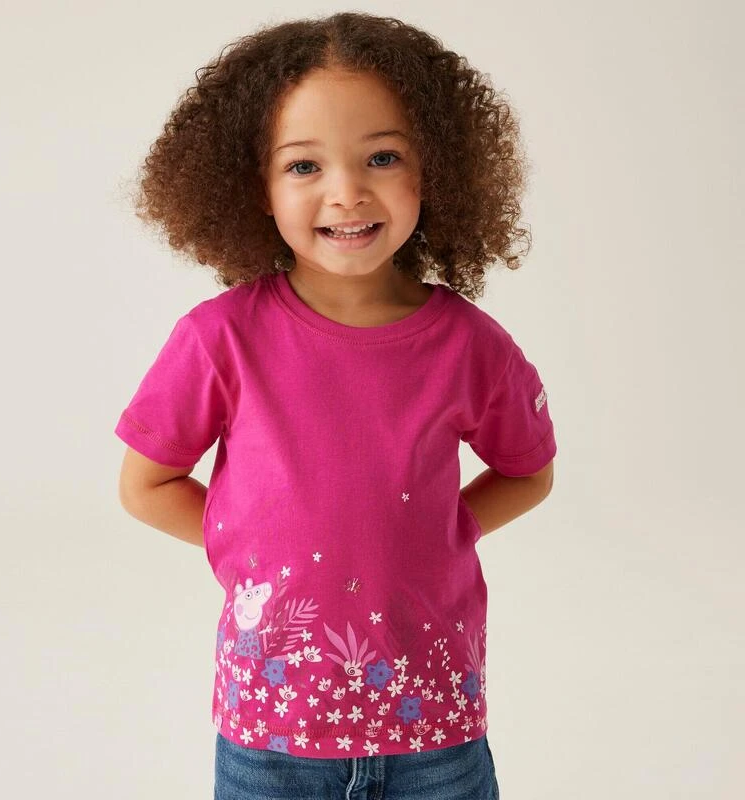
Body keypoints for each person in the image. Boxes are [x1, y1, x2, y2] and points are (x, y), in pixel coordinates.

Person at [114, 11, 557, 799]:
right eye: (303, 165)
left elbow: (529, 472)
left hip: (435, 731)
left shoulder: (471, 346)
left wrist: (440, 529)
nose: (347, 192)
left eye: (382, 156)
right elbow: (146, 483)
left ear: (436, 169)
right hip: (271, 734)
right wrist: (250, 544)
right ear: (254, 186)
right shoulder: (220, 340)